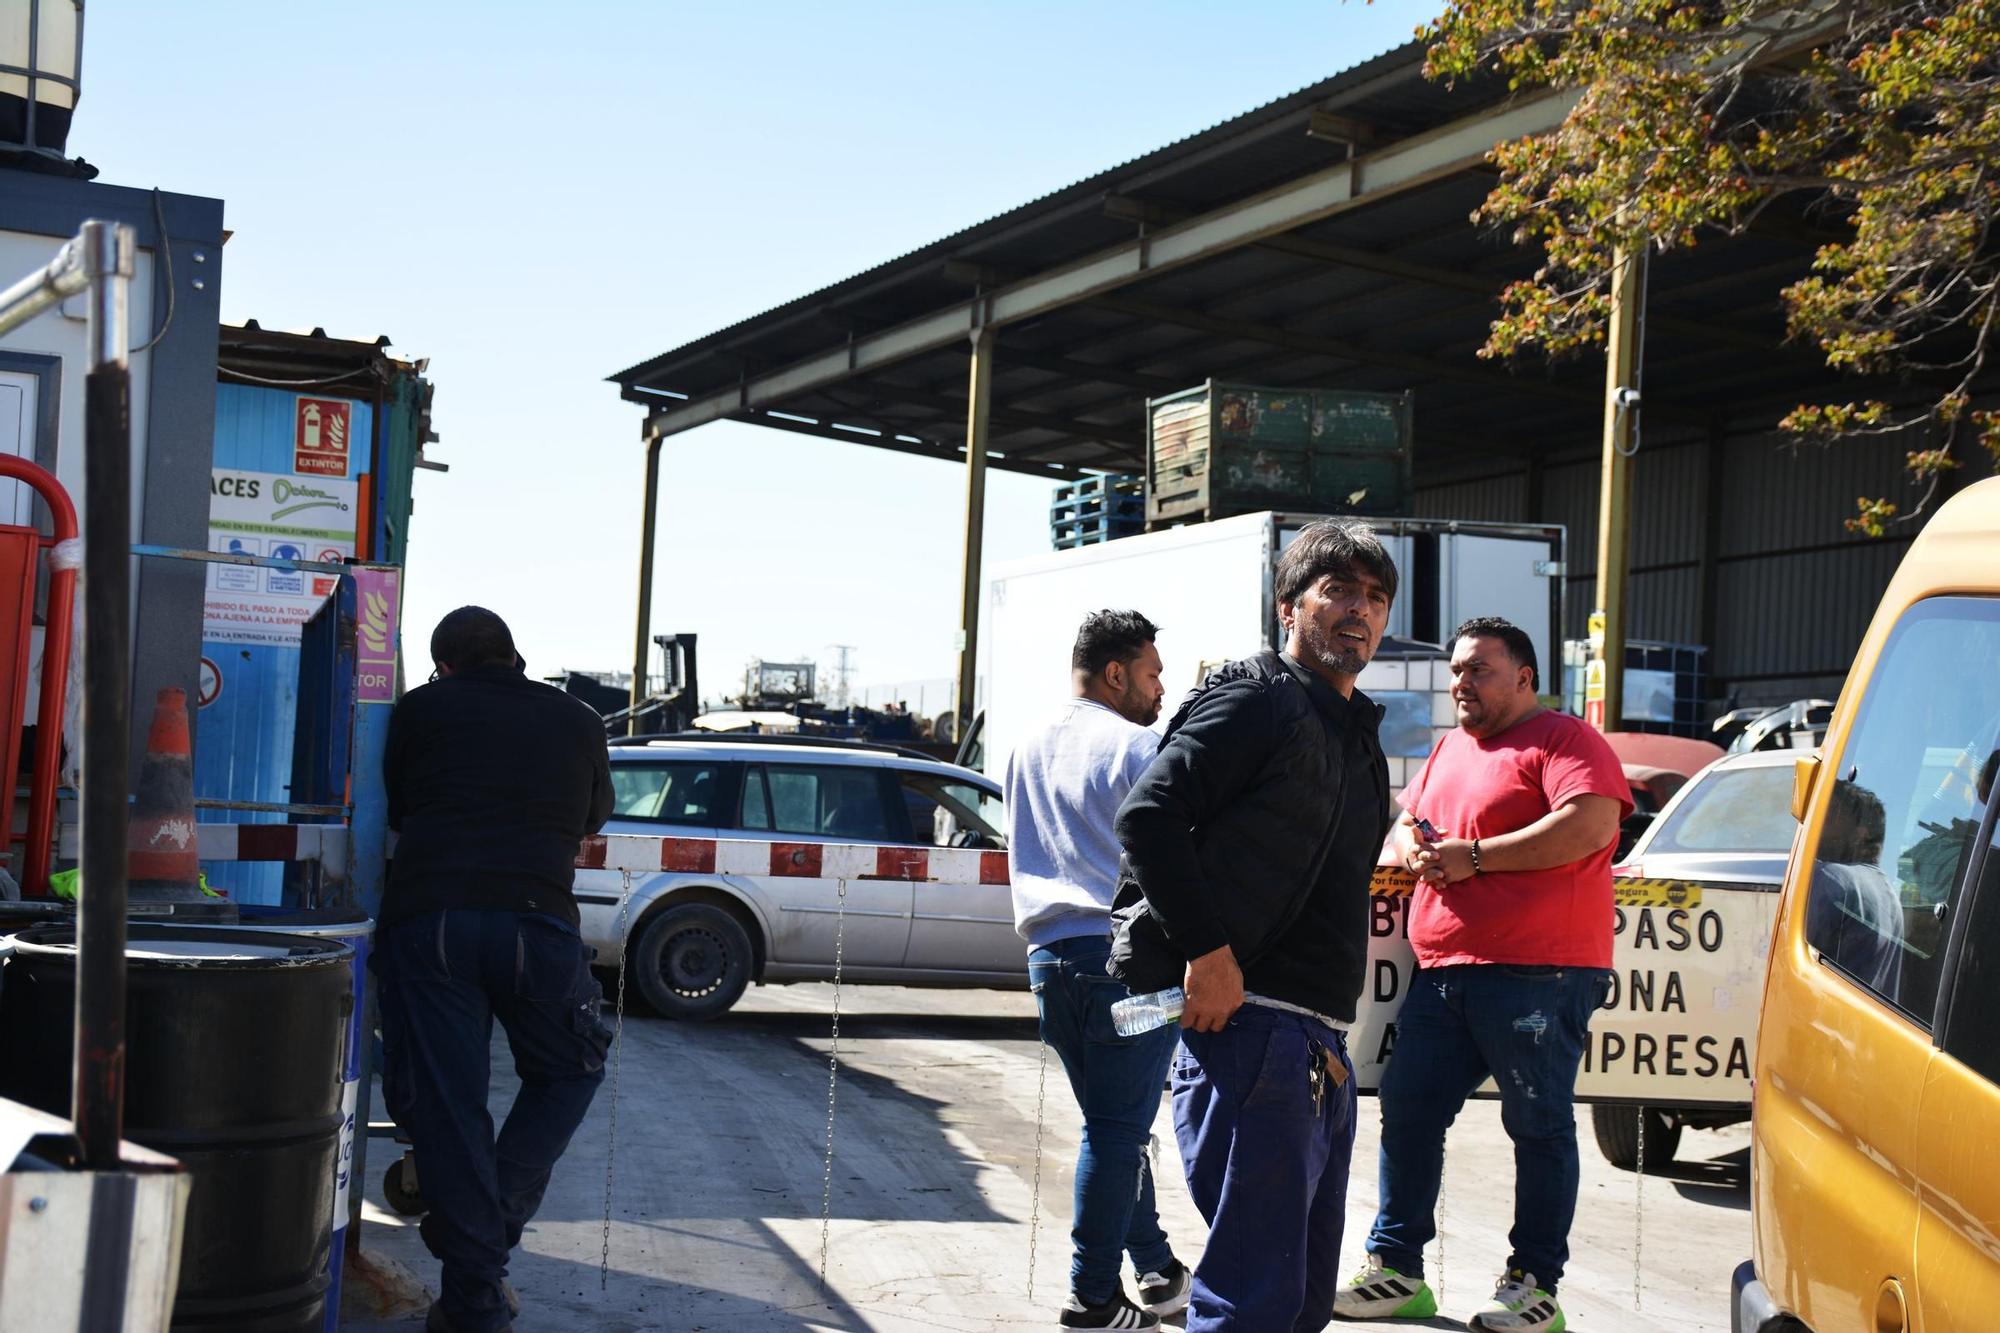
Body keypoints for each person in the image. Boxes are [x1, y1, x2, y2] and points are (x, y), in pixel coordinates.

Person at [1110, 518, 1396, 1333]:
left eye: (1374, 596)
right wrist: (1207, 952)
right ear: (1287, 605)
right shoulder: (1259, 695)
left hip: (1319, 1047)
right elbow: (1151, 815)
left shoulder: (1355, 735)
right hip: (1254, 1031)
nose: (1359, 610)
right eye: (1337, 588)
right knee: (1253, 1301)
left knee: (1299, 1300)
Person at [1335, 616, 1628, 1333]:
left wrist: (1478, 857)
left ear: (1524, 678)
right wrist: (1412, 843)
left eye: (1479, 670)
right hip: (1444, 973)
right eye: (1457, 671)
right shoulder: (1450, 749)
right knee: (1407, 1109)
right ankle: (1398, 1269)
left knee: (1538, 1123)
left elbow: (1591, 824)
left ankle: (1533, 1285)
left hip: (1539, 974)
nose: (1461, 683)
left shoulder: (1566, 740)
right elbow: (1410, 820)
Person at [377, 607, 614, 1333]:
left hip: (432, 923)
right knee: (571, 1069)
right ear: (515, 655)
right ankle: (485, 1229)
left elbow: (399, 808)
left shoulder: (420, 709)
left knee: (453, 1106)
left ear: (443, 665)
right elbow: (593, 819)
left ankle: (473, 1266)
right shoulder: (578, 718)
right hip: (535, 924)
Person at [1004, 608, 1190, 1332]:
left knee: (1114, 1124)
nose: (1160, 688)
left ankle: (1156, 1267)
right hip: (1127, 971)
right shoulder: (1136, 745)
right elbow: (1172, 853)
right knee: (1118, 1133)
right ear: (1115, 672)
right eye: (1151, 673)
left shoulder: (1024, 746)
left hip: (1050, 967)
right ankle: (1091, 1295)